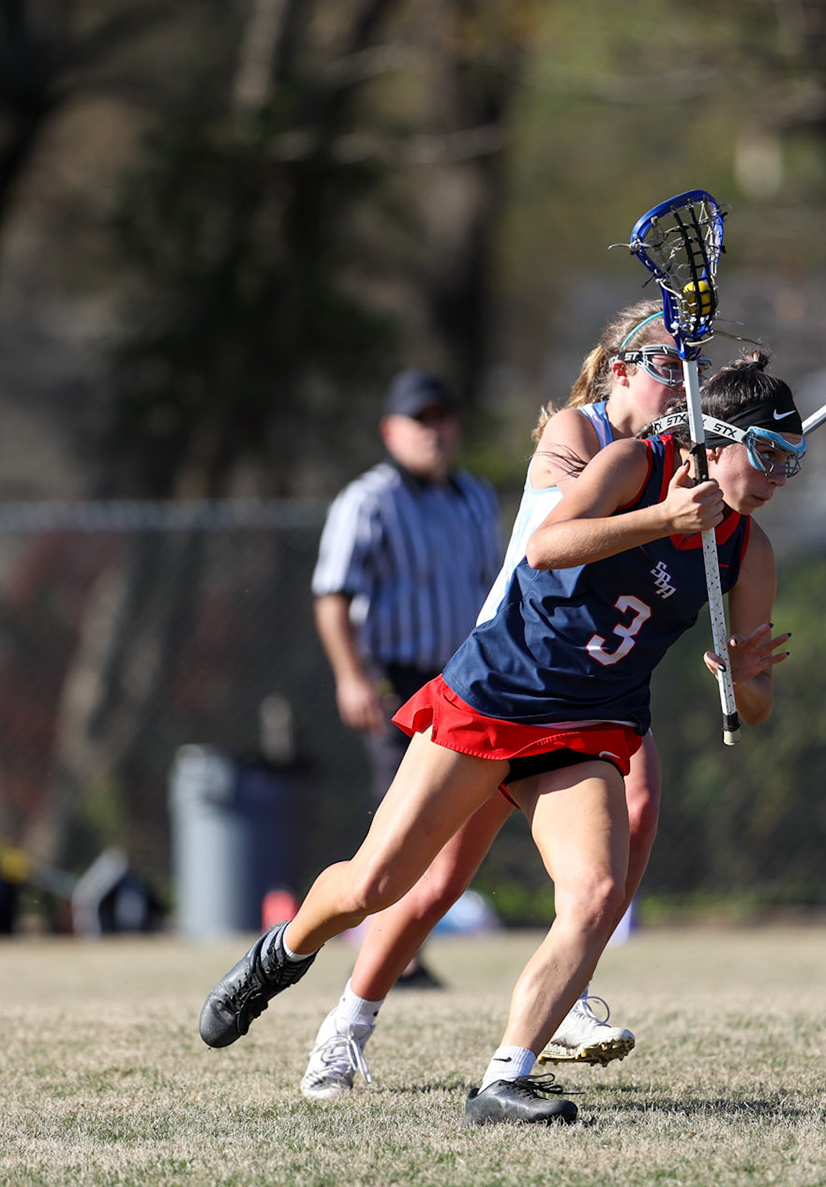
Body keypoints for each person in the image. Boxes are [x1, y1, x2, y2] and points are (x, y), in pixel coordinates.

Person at [201, 352, 804, 1126]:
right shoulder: (631, 464)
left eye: (791, 462)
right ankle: (279, 954)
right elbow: (546, 546)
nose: (777, 478)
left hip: (587, 725)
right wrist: (663, 519)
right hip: (499, 693)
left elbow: (755, 707)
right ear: (715, 441)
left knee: (594, 896)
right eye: (767, 455)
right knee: (376, 886)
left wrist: (744, 676)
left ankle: (504, 1080)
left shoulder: (747, 550)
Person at [297, 301, 690, 1099]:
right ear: (622, 370)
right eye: (667, 367)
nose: (684, 386)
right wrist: (664, 513)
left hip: (595, 686)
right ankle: (348, 1022)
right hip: (513, 682)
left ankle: (570, 991)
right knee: (429, 883)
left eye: (693, 372)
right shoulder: (578, 439)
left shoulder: (660, 457)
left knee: (639, 809)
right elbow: (556, 548)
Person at [310, 368, 503, 986]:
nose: (435, 431)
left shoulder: (476, 497)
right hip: (395, 674)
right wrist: (350, 677)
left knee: (456, 816)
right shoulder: (368, 500)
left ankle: (403, 941)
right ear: (390, 430)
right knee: (404, 810)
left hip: (465, 675)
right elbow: (333, 596)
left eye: (443, 417)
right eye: (420, 420)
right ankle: (394, 952)